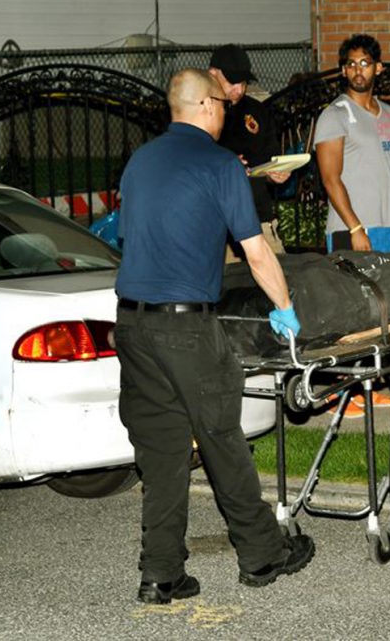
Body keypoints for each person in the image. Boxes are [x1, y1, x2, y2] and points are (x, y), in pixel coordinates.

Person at [114, 68, 314, 605]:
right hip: (186, 326)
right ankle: (263, 553)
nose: (227, 110)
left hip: (132, 324)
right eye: (221, 103)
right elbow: (255, 249)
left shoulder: (140, 161)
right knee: (223, 437)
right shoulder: (221, 164)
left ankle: (160, 573)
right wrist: (286, 309)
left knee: (161, 453)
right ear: (204, 105)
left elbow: (137, 234)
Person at [315, 33, 390, 253]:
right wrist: (356, 228)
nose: (357, 70)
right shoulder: (335, 115)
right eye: (351, 64)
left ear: (378, 68)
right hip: (350, 230)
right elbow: (330, 180)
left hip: (387, 228)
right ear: (343, 71)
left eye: (364, 63)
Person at [209, 43, 289, 256]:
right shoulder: (198, 112)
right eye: (232, 82)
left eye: (243, 82)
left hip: (258, 217)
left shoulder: (257, 111)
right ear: (213, 74)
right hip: (216, 225)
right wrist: (227, 167)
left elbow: (269, 159)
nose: (239, 89)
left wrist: (276, 174)